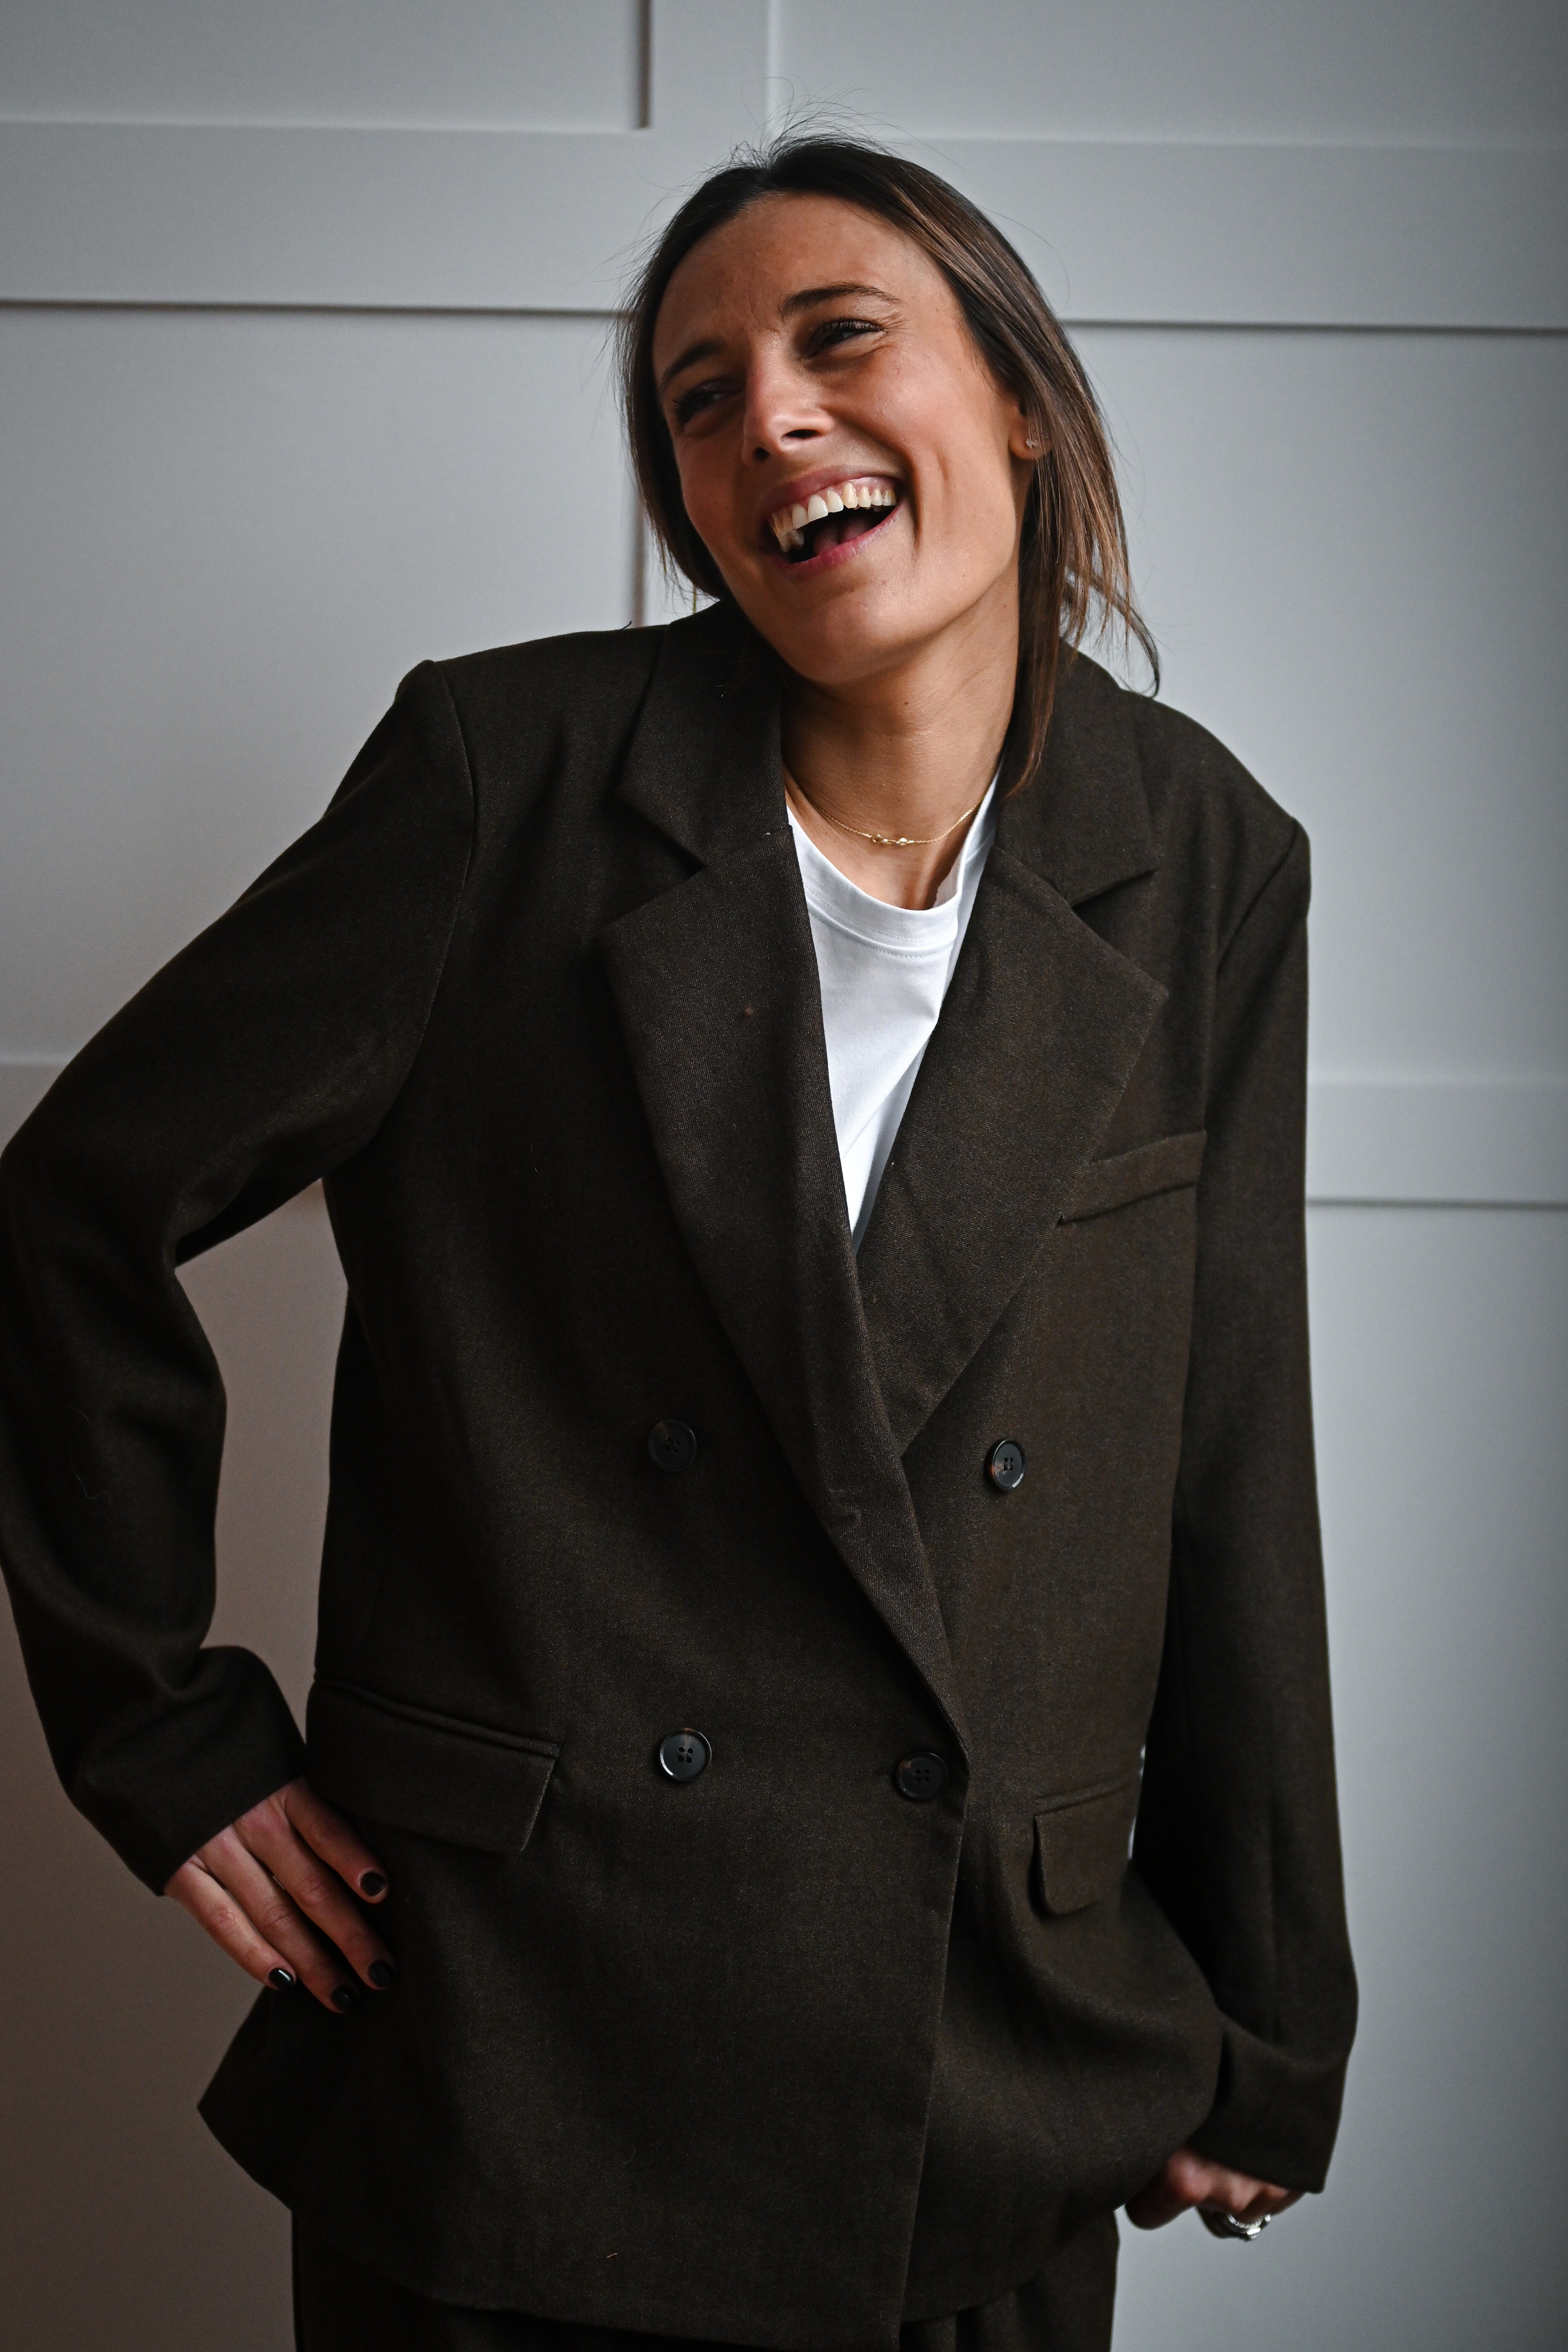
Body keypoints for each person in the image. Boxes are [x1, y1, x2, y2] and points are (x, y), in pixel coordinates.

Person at [0, 135, 1356, 2352]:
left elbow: (1224, 1438)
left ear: (1020, 399)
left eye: (840, 342)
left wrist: (1269, 2005)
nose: (770, 423)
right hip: (523, 2043)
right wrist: (161, 1739)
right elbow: (75, 1211)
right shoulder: (506, 781)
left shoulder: (1202, 851)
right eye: (701, 401)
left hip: (986, 2056)